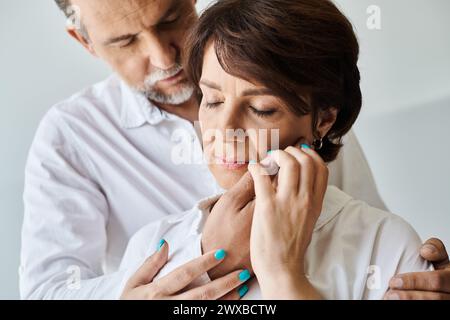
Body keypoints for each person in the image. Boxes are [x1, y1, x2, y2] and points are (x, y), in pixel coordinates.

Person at [20, 0, 450, 300]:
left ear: (323, 122)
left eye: (171, 18)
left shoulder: (379, 239)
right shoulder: (145, 239)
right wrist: (201, 258)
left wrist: (414, 270)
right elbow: (47, 292)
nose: (163, 54)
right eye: (125, 40)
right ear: (86, 41)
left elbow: (363, 225)